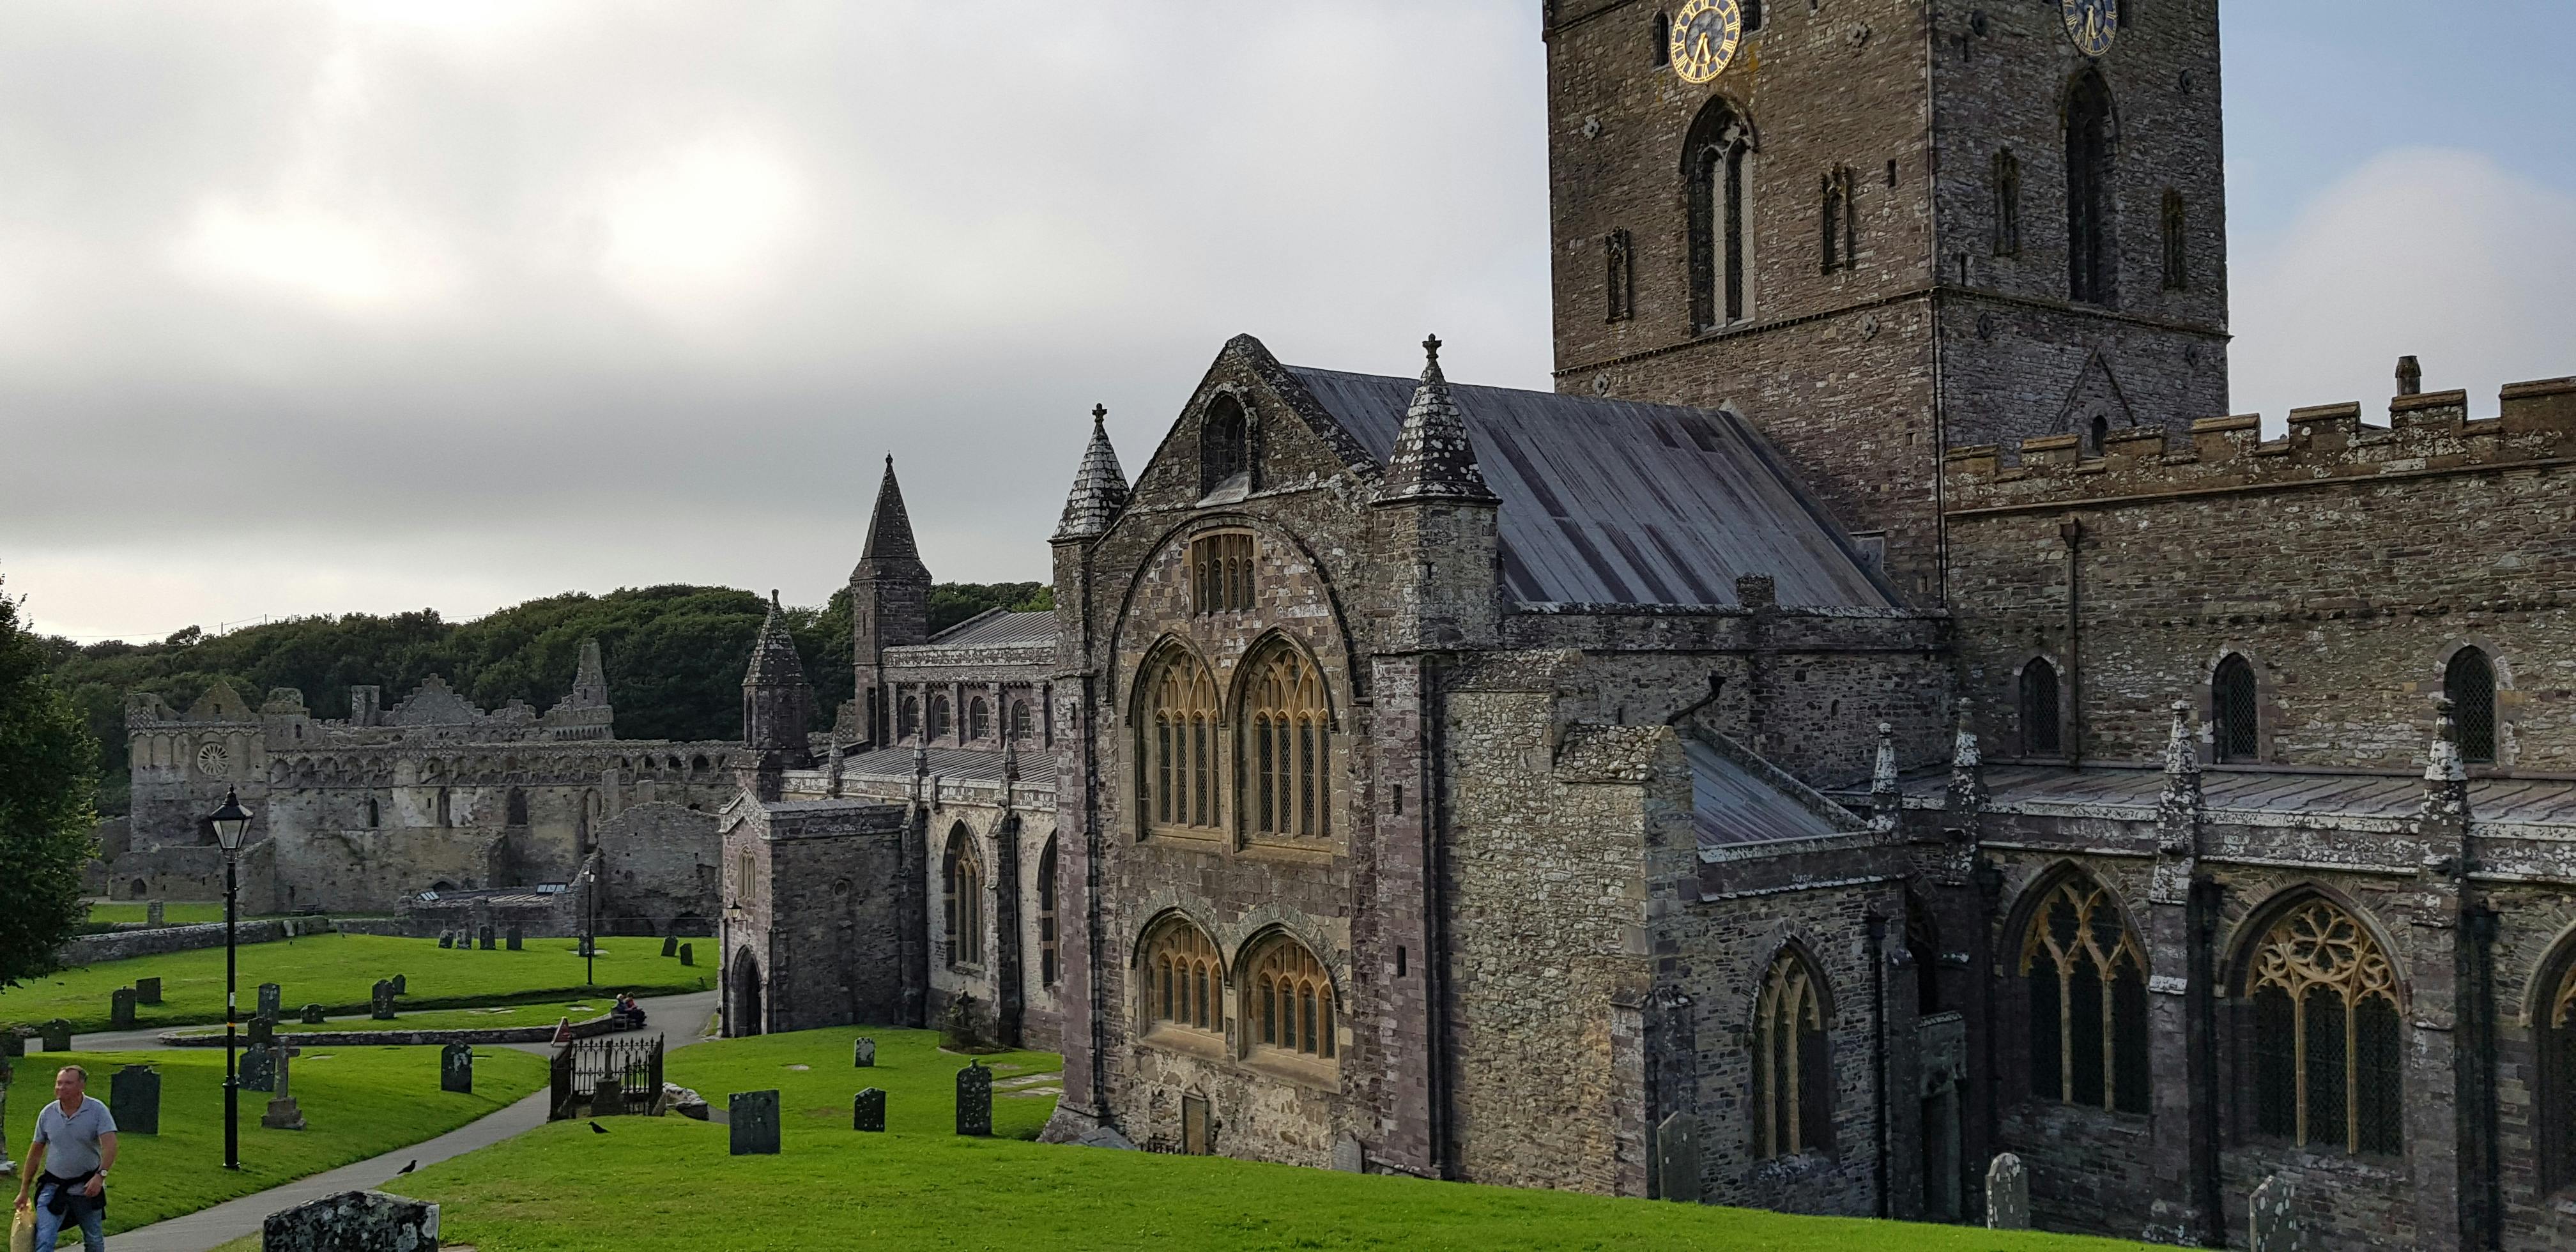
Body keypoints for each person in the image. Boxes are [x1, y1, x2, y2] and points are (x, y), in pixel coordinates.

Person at [12, 1065, 118, 1252]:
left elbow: (110, 1146)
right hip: (53, 1187)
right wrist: (24, 1190)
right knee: (45, 1239)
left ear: (81, 1086)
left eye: (68, 1083)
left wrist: (100, 1176)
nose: (61, 1088)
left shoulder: (97, 1110)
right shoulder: (48, 1113)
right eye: (59, 1083)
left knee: (94, 1241)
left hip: (86, 1188)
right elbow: (35, 1152)